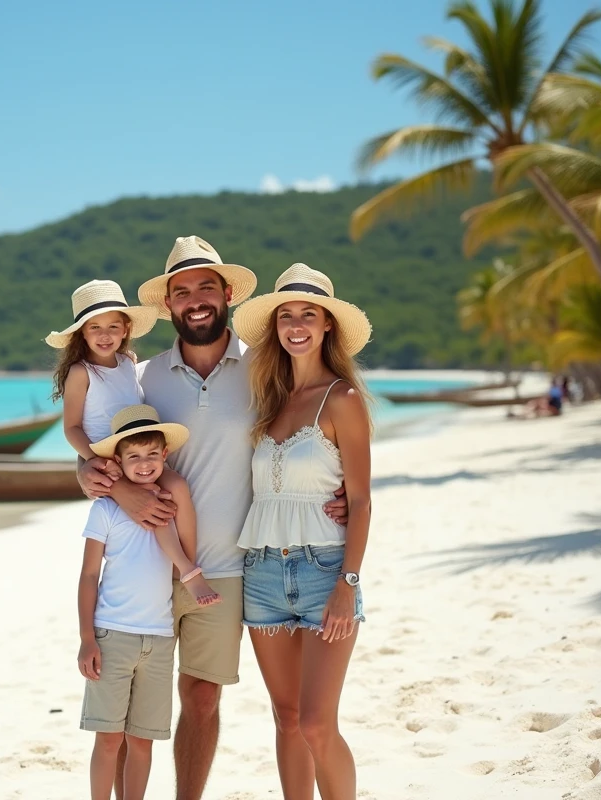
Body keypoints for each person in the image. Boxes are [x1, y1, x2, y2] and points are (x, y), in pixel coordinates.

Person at [77, 236, 349, 800]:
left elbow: (316, 432)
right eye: (182, 291)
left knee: (202, 698)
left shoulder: (266, 369)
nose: (195, 299)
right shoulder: (140, 377)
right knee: (130, 707)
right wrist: (88, 475)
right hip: (141, 567)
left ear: (227, 293)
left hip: (227, 568)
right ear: (169, 305)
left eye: (206, 287)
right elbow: (104, 444)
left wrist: (341, 488)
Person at [232, 263, 373, 800]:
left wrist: (348, 583)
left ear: (327, 325)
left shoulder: (343, 399)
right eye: (286, 315)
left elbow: (359, 500)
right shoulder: (266, 401)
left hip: (324, 572)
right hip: (261, 575)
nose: (296, 324)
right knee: (286, 719)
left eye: (307, 315)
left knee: (317, 723)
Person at [49, 279, 220, 606]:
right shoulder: (80, 373)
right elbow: (71, 427)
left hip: (139, 454)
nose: (104, 334)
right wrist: (92, 460)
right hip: (110, 459)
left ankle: (188, 560)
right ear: (81, 333)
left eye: (113, 326)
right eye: (94, 327)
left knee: (179, 488)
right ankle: (186, 570)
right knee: (153, 499)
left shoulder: (128, 363)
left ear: (126, 328)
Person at [77, 404, 192, 800]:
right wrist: (87, 638)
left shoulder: (169, 503)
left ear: (165, 457)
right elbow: (89, 575)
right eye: (133, 456)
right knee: (109, 739)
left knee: (143, 741)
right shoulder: (105, 510)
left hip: (160, 639)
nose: (144, 465)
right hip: (113, 636)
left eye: (152, 455)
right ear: (117, 461)